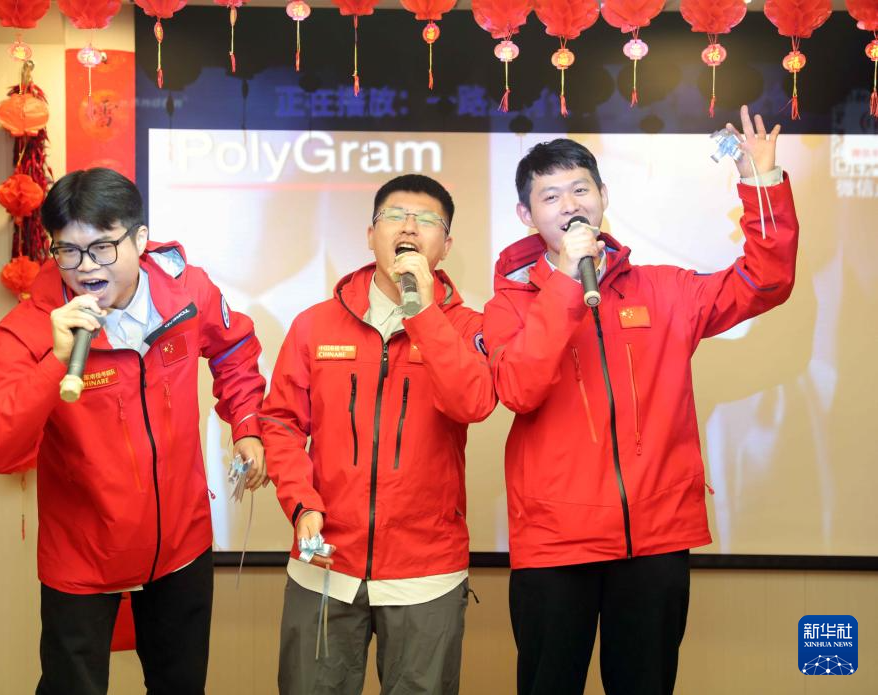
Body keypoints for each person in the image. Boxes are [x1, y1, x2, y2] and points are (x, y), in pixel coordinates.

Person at [482, 106, 799, 695]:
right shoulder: (508, 307)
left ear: (604, 196)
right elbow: (519, 389)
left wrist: (762, 184)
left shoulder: (665, 289)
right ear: (526, 215)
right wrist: (565, 283)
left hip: (654, 537)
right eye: (551, 196)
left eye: (581, 189)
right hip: (556, 543)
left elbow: (765, 282)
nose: (570, 205)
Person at [0, 167, 267, 695]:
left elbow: (234, 350)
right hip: (81, 555)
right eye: (68, 251)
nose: (86, 268)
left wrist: (246, 425)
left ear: (140, 239)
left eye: (103, 248)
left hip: (180, 545)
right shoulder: (29, 329)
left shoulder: (187, 292)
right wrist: (55, 363)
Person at [261, 174, 497, 694]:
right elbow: (280, 423)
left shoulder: (468, 328)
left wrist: (425, 315)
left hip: (425, 572)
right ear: (371, 235)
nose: (409, 227)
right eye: (395, 216)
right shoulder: (315, 325)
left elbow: (474, 403)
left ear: (446, 246)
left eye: (427, 220)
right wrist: (301, 503)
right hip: (325, 563)